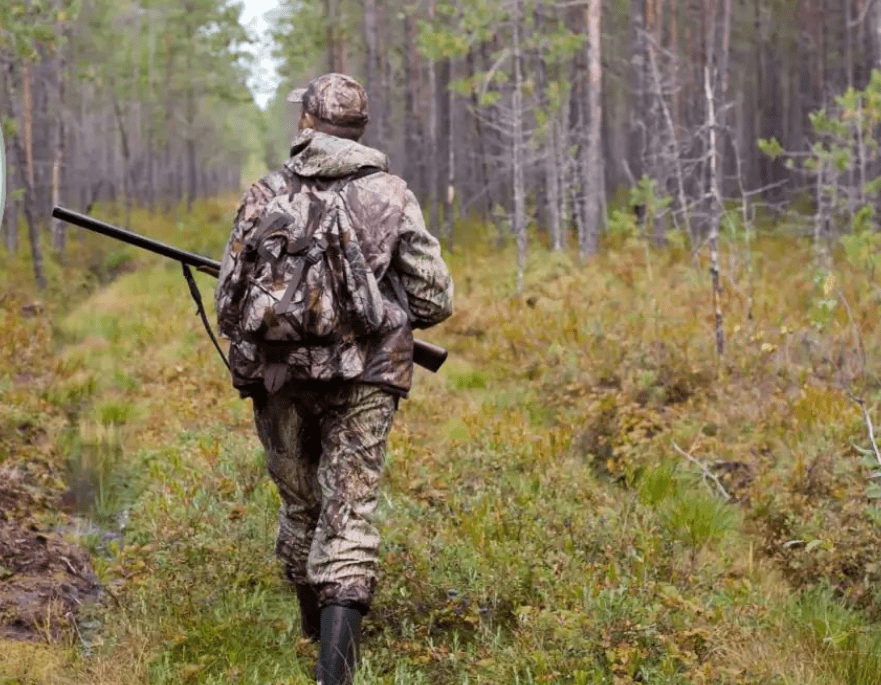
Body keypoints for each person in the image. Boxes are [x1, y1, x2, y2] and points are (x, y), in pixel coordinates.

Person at [214, 73, 454, 685]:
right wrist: (374, 304)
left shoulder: (265, 192)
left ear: (308, 123)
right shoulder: (391, 194)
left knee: (301, 505)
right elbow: (435, 300)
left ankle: (309, 630)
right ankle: (334, 671)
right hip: (367, 378)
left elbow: (228, 300)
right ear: (361, 129)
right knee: (349, 512)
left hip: (278, 375)